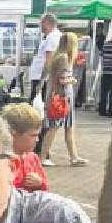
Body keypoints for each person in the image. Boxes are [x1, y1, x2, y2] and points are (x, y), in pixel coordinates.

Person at [39, 32, 87, 168]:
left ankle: (74, 157)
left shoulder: (58, 56)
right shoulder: (63, 58)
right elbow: (63, 79)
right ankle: (43, 157)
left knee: (68, 127)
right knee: (54, 128)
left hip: (62, 98)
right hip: (60, 98)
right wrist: (73, 79)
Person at [1, 102, 47, 192]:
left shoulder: (33, 158)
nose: (37, 139)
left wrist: (40, 183)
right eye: (33, 135)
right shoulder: (2, 161)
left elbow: (46, 190)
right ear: (13, 134)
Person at [28, 13, 61, 102]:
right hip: (41, 76)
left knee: (36, 104)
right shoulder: (51, 36)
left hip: (41, 77)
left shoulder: (52, 37)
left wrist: (41, 81)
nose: (40, 25)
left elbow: (48, 61)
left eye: (41, 23)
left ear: (47, 23)